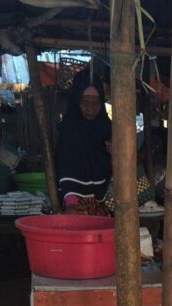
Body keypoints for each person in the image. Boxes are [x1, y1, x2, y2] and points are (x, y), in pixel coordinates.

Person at [57, 69, 113, 214]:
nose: (91, 108)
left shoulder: (108, 128)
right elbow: (64, 166)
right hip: (77, 204)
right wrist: (71, 203)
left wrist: (115, 154)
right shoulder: (69, 129)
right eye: (85, 103)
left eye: (96, 103)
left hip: (108, 202)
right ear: (76, 101)